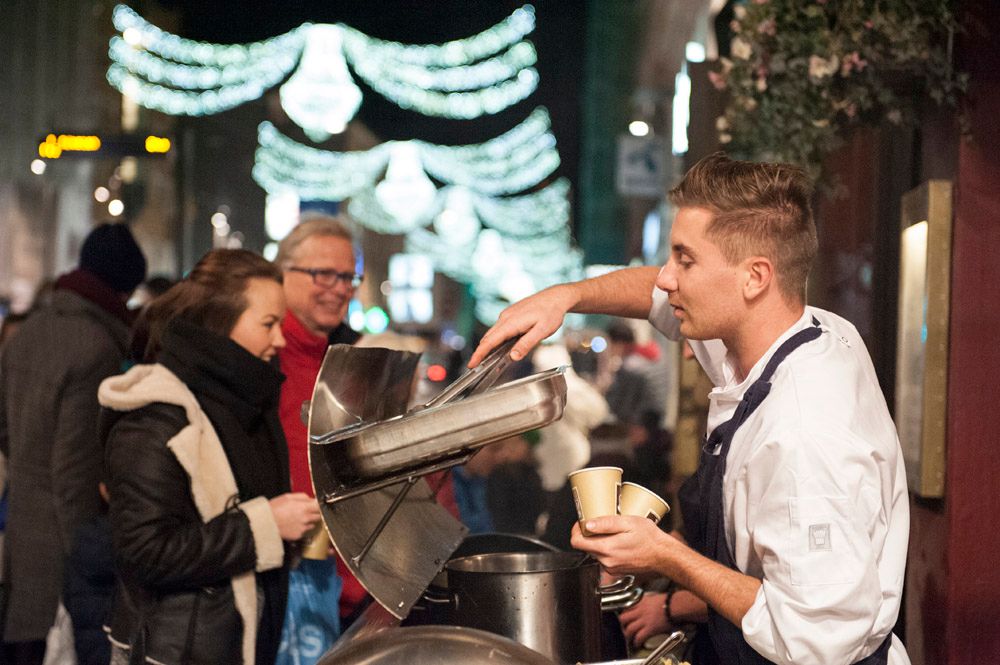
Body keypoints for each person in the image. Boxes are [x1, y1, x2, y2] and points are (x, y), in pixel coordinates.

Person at [470, 152, 910, 665]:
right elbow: (649, 296)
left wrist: (665, 555)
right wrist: (565, 296)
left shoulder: (802, 434)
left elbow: (814, 637)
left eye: (686, 259)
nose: (666, 279)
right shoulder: (795, 331)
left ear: (755, 277)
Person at [98, 249, 321, 665]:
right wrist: (266, 525)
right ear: (221, 322)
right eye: (268, 324)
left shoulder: (248, 402)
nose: (280, 340)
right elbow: (145, 551)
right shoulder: (155, 418)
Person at [0, 222, 147, 665]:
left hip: (20, 524)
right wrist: (86, 558)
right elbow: (76, 466)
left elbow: (4, 429)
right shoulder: (97, 346)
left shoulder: (27, 333)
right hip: (60, 544)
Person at [273, 214, 364, 649]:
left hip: (344, 583)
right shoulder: (262, 358)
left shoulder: (348, 359)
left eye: (348, 277)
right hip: (282, 578)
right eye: (324, 273)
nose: (340, 287)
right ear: (281, 273)